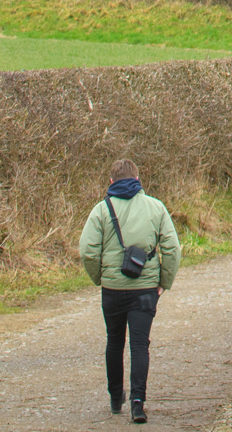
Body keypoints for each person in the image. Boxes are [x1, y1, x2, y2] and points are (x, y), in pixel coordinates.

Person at [80, 159, 180, 422]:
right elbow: (172, 249)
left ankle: (116, 399)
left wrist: (100, 278)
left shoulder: (101, 210)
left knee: (114, 341)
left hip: (112, 288)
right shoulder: (156, 207)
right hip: (145, 289)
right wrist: (164, 282)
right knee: (139, 344)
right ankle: (138, 403)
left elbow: (87, 250)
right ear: (137, 179)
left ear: (111, 181)